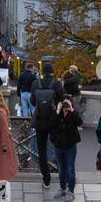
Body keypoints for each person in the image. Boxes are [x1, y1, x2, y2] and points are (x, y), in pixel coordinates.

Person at [29, 61, 64, 189]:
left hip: (39, 120)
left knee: (41, 150)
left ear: (42, 72)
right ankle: (62, 176)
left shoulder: (35, 83)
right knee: (58, 147)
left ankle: (46, 178)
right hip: (54, 120)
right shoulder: (57, 84)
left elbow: (33, 102)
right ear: (53, 71)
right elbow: (61, 101)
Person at [50, 98, 82, 197]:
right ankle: (63, 188)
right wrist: (57, 110)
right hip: (58, 145)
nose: (65, 106)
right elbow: (51, 124)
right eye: (64, 104)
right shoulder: (57, 114)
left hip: (70, 146)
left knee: (70, 169)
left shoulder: (73, 114)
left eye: (67, 104)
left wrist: (71, 109)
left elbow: (80, 122)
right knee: (61, 169)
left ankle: (71, 191)